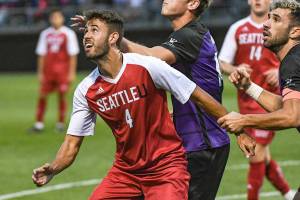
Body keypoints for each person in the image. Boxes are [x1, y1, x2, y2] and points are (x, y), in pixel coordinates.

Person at [32, 10, 255, 200]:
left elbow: (198, 95)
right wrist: (54, 168)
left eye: (94, 30)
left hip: (166, 168)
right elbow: (71, 144)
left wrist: (240, 131)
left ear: (113, 38)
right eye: (86, 31)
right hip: (125, 173)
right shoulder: (86, 90)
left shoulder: (148, 67)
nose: (86, 37)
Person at [218, 0, 300, 199]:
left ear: (295, 32)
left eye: (276, 19)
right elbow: (287, 106)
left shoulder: (293, 62)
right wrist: (248, 87)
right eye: (269, 17)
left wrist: (244, 120)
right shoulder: (294, 59)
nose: (266, 24)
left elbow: (292, 116)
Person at [30, 8, 79, 133]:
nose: (55, 20)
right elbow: (41, 54)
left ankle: (61, 123)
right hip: (48, 71)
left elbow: (73, 54)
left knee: (62, 96)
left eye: (58, 17)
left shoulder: (68, 34)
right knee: (42, 95)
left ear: (62, 19)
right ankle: (39, 123)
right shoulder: (45, 34)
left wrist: (71, 72)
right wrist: (40, 72)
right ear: (50, 19)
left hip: (62, 71)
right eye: (53, 17)